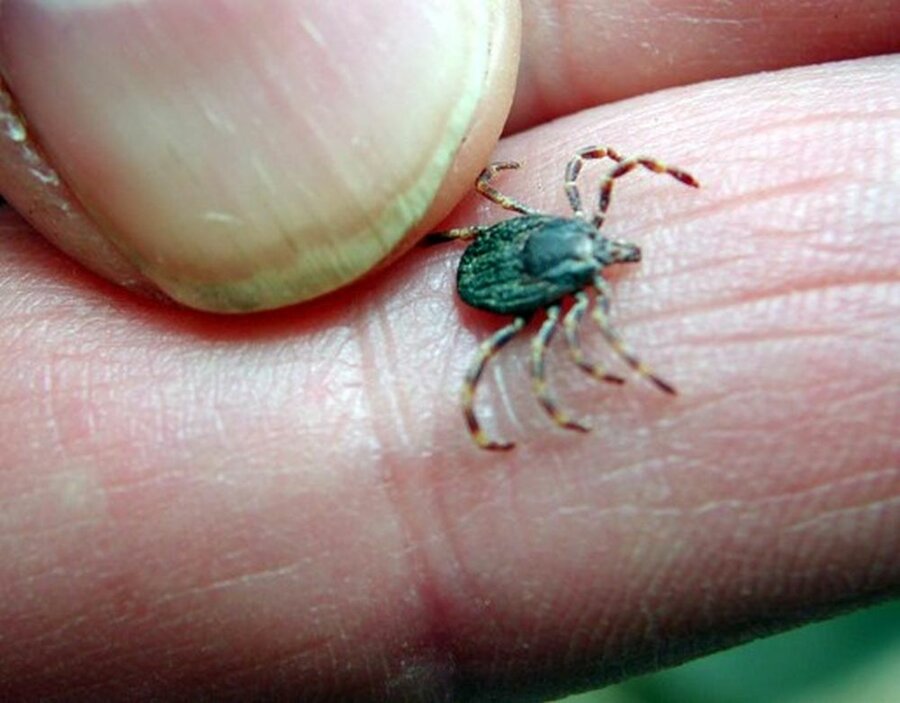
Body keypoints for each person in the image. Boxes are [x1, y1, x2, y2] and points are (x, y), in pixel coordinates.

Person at [0, 2, 897, 700]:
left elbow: (589, 171)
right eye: (599, 248)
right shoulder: (567, 289)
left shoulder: (570, 236)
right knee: (529, 331)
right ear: (584, 248)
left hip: (491, 265)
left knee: (548, 266)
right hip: (492, 274)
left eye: (599, 248)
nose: (605, 251)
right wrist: (628, 374)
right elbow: (551, 334)